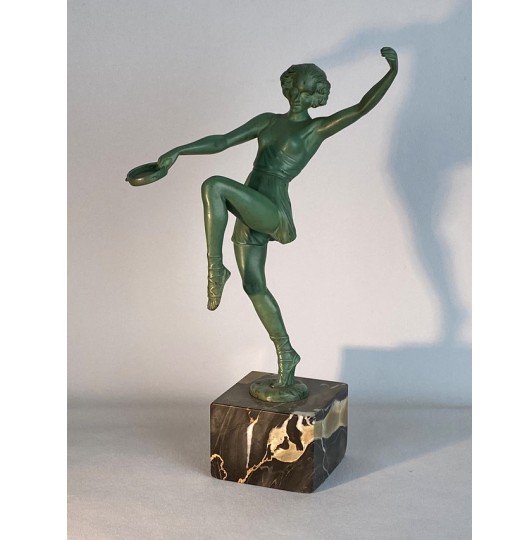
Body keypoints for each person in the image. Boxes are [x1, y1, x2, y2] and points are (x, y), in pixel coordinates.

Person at [154, 47, 398, 389]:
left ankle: (215, 268)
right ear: (289, 88)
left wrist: (391, 72)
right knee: (254, 285)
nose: (299, 95)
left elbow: (360, 107)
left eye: (306, 90)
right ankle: (287, 353)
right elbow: (222, 141)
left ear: (313, 96)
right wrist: (178, 152)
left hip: (271, 206)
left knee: (214, 185)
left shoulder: (315, 130)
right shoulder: (268, 120)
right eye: (296, 87)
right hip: (249, 204)